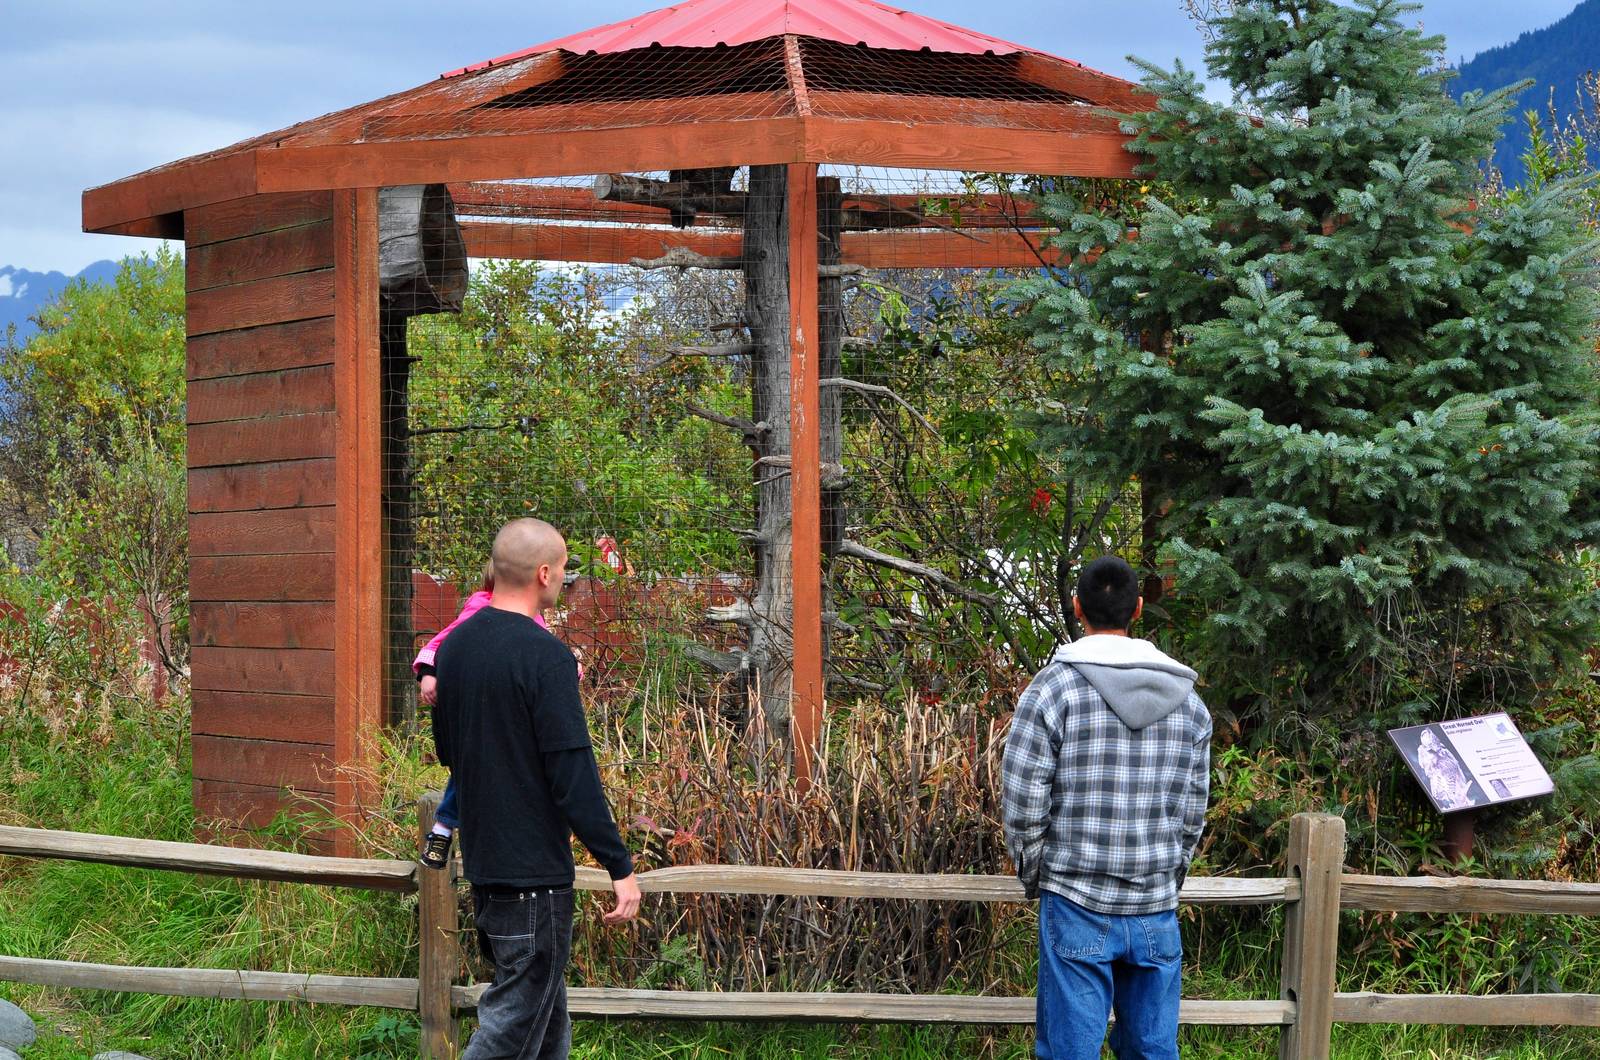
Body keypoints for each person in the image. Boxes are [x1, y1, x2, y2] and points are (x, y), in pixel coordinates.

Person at [434, 518, 641, 1059]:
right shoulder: (546, 657)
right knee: (510, 1030)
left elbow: (449, 755)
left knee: (545, 1027)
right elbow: (573, 776)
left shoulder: (454, 650)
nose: (566, 576)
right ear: (545, 573)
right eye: (567, 567)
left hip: (486, 866)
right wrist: (618, 866)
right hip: (533, 878)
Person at [1001, 555, 1212, 1060]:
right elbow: (1192, 813)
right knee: (1152, 1050)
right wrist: (1168, 876)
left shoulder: (1052, 691)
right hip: (1155, 905)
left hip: (1074, 897)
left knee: (1070, 1051)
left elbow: (1022, 797)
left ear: (1077, 608)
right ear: (1138, 609)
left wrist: (1038, 875)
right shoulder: (1188, 703)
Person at [414, 559, 567, 870]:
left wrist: (565, 671)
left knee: (482, 772)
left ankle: (447, 832)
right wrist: (428, 673)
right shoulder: (479, 609)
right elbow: (443, 641)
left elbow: (544, 652)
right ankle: (443, 829)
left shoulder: (531, 618)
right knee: (468, 771)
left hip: (498, 711)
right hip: (476, 709)